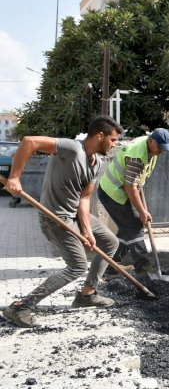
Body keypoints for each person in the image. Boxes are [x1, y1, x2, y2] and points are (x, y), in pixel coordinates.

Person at [2, 116, 124, 328]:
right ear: (100, 135)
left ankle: (86, 295)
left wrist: (87, 231)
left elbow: (85, 198)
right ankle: (21, 306)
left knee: (110, 242)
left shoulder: (97, 163)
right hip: (54, 217)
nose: (114, 145)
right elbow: (29, 142)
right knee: (76, 266)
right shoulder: (71, 149)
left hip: (75, 214)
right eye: (113, 140)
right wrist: (14, 177)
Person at [97, 128, 169, 275]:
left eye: (164, 149)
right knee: (134, 226)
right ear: (151, 141)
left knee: (127, 229)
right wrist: (142, 211)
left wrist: (142, 207)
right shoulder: (137, 157)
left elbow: (137, 181)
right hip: (112, 193)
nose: (161, 152)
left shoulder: (150, 149)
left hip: (119, 192)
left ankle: (111, 264)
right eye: (160, 147)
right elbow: (130, 186)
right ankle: (143, 265)